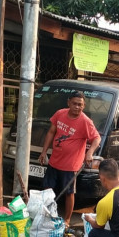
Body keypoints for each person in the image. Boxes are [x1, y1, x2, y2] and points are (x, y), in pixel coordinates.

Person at [38, 91, 101, 229]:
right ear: (68, 103)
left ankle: (67, 220)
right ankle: (47, 214)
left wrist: (89, 153)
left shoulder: (85, 121)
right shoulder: (60, 114)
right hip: (55, 160)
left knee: (69, 193)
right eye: (74, 104)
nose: (77, 107)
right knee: (47, 189)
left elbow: (97, 138)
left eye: (80, 105)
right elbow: (51, 132)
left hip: (71, 165)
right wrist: (44, 152)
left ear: (83, 106)